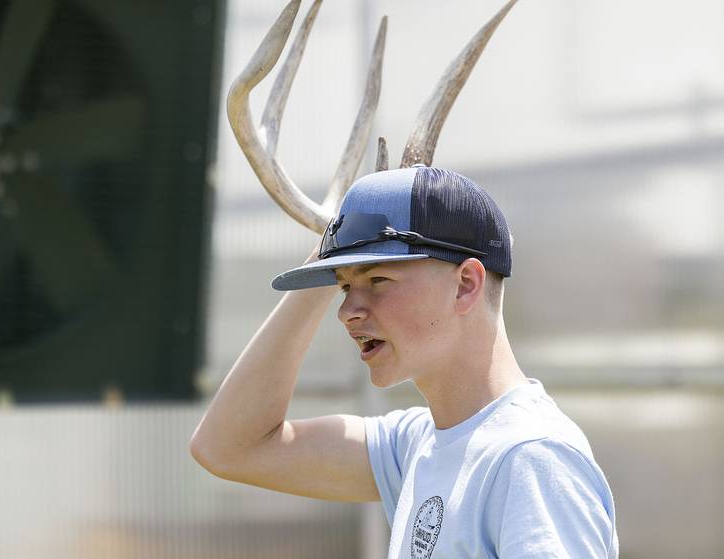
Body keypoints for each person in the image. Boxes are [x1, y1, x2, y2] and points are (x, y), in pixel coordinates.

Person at [190, 165, 619, 558]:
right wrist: (327, 257)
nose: (346, 312)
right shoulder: (420, 443)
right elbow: (230, 448)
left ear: (466, 285)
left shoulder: (528, 457)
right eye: (343, 288)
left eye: (378, 279)